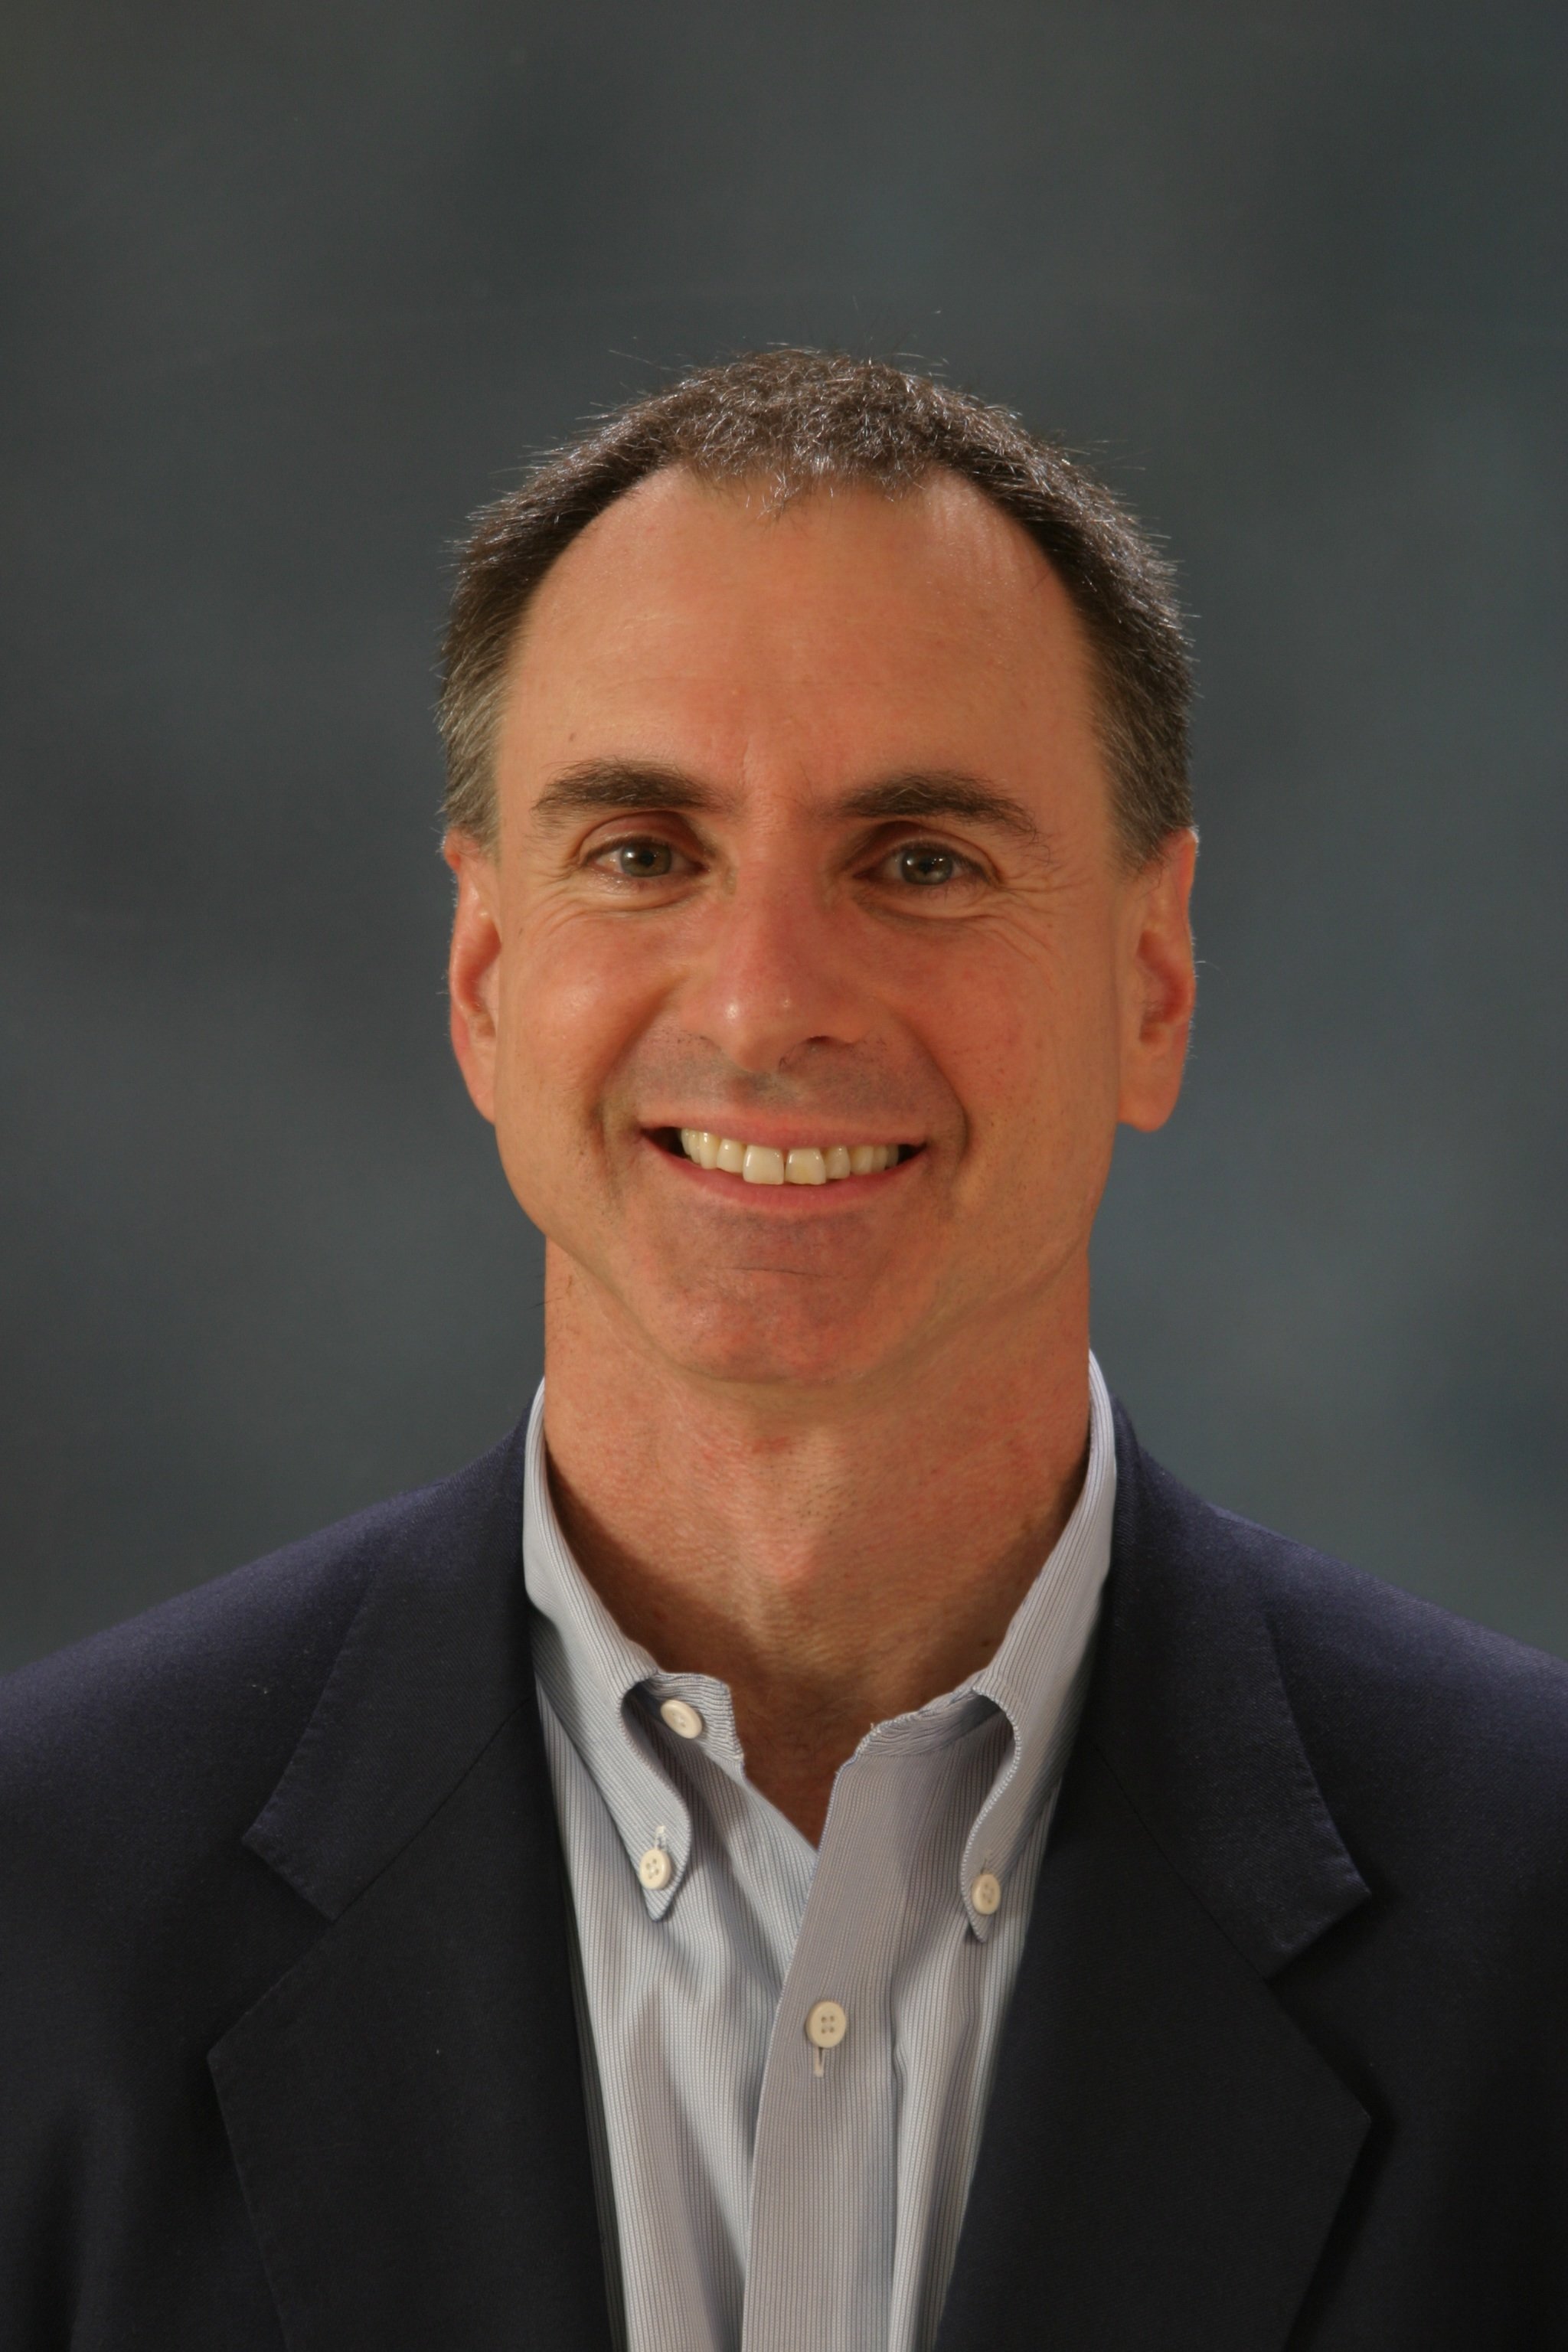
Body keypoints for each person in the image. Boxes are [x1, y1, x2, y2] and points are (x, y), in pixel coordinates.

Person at [2, 350, 1565, 2352]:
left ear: (1153, 980)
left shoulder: (1535, 1924)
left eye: (919, 861)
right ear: (485, 981)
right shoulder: (41, 1916)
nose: (764, 1003)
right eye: (643, 852)